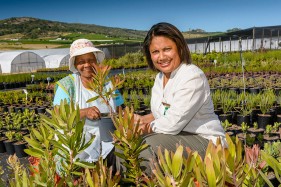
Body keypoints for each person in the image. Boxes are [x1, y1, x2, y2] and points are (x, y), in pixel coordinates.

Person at [134, 22, 227, 173]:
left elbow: (173, 123)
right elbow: (166, 111)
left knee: (147, 146)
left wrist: (144, 128)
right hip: (179, 138)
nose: (162, 57)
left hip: (206, 142)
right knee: (125, 145)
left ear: (180, 47)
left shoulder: (192, 76)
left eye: (167, 49)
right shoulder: (159, 78)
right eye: (155, 52)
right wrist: (142, 119)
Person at [53, 38, 124, 173]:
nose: (87, 65)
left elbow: (121, 110)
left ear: (97, 61)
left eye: (91, 60)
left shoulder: (109, 84)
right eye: (81, 61)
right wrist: (84, 112)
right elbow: (58, 116)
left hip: (108, 146)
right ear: (75, 65)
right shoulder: (67, 86)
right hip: (77, 149)